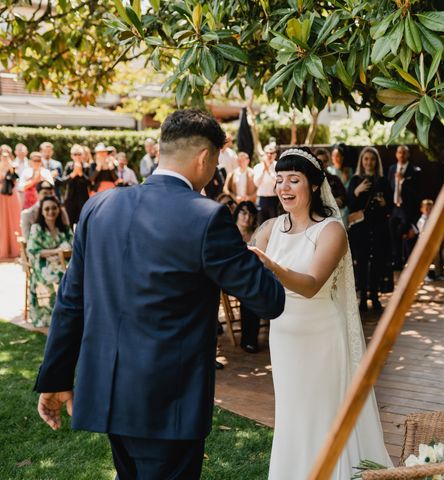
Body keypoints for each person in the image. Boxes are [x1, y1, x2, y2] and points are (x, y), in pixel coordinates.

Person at [34, 109, 285, 479]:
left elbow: (71, 301)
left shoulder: (99, 207)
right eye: (215, 161)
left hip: (108, 391)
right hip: (169, 401)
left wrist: (55, 379)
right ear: (204, 157)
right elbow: (269, 300)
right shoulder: (208, 218)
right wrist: (257, 259)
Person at [250, 147, 391, 479]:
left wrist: (272, 265)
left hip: (321, 336)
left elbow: (312, 284)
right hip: (284, 336)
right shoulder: (270, 228)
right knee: (292, 414)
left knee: (322, 412)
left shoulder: (331, 230)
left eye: (293, 180)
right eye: (279, 180)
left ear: (313, 185)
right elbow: (246, 261)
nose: (284, 188)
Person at [346, 147, 393, 311]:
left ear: (376, 161)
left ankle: (375, 296)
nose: (369, 162)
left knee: (377, 262)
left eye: (372, 159)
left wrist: (384, 204)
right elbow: (349, 206)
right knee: (361, 263)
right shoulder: (355, 180)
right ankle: (363, 297)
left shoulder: (382, 181)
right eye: (366, 159)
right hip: (360, 229)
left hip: (378, 228)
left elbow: (391, 207)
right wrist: (356, 192)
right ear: (361, 161)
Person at [26, 196, 73, 327]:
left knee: (75, 276)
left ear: (59, 209)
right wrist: (56, 251)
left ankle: (71, 313)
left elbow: (74, 246)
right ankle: (56, 314)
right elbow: (33, 251)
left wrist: (62, 254)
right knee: (59, 276)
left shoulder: (64, 228)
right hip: (42, 265)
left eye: (54, 208)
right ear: (41, 211)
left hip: (63, 262)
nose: (50, 211)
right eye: (47, 209)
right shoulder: (37, 228)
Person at [233, 201, 262, 352]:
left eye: (251, 214)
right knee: (251, 290)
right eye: (243, 213)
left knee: (253, 290)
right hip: (230, 278)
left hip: (251, 278)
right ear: (237, 214)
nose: (247, 217)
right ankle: (249, 339)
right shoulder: (229, 233)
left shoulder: (258, 233)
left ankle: (250, 339)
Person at [387, 145, 420, 269]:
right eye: (399, 152)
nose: (401, 155)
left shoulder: (414, 170)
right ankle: (396, 262)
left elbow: (416, 192)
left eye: (404, 153)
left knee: (404, 234)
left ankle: (406, 261)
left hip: (406, 209)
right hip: (394, 207)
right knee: (392, 234)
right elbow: (389, 188)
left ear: (408, 155)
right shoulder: (392, 169)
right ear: (396, 154)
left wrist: (402, 181)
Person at [61, 144, 91, 227]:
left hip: (83, 199)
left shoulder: (87, 166)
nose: (77, 156)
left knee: (82, 222)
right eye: (75, 154)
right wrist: (73, 174)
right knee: (69, 221)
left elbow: (89, 183)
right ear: (71, 156)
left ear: (83, 155)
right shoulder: (69, 166)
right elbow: (63, 182)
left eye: (79, 154)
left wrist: (81, 173)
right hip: (70, 199)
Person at [0, 149, 21, 259]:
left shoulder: (13, 167)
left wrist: (10, 171)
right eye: (3, 156)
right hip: (1, 196)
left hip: (11, 196)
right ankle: (3, 249)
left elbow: (16, 181)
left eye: (6, 156)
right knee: (2, 221)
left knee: (14, 220)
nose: (4, 158)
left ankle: (16, 248)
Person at [253, 143, 280, 223]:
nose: (269, 155)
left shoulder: (278, 166)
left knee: (274, 224)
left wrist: (268, 170)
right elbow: (256, 183)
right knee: (261, 224)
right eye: (267, 153)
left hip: (274, 199)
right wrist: (264, 170)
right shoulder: (258, 167)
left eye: (271, 153)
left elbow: (277, 182)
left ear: (275, 154)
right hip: (261, 199)